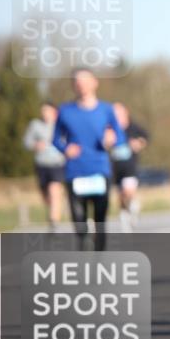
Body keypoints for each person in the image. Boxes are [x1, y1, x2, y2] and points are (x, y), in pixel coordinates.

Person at [53, 68, 127, 251]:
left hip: (100, 170)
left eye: (85, 80)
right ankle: (84, 255)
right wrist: (65, 148)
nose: (82, 85)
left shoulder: (106, 110)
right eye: (77, 82)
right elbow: (55, 139)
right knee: (80, 222)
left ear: (95, 82)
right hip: (75, 171)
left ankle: (100, 256)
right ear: (73, 86)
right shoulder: (65, 111)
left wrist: (112, 138)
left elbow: (120, 136)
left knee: (100, 220)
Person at [23, 101, 67, 230]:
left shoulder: (61, 125)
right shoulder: (35, 125)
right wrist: (35, 145)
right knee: (46, 196)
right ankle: (54, 210)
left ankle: (54, 222)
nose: (44, 113)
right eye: (43, 111)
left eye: (47, 110)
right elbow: (26, 142)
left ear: (54, 112)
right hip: (41, 164)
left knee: (54, 190)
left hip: (58, 163)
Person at [110, 102, 149, 232]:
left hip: (130, 165)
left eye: (119, 112)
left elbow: (145, 137)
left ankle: (133, 207)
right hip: (115, 165)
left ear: (125, 112)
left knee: (128, 191)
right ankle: (125, 217)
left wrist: (139, 143)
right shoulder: (109, 127)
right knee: (120, 195)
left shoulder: (133, 127)